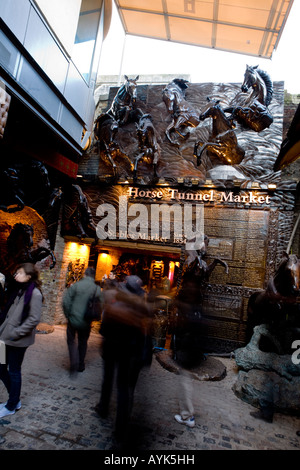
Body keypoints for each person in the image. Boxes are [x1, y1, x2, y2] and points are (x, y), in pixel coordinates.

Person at [95, 275, 152, 446]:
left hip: (112, 350)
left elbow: (103, 329)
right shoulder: (142, 309)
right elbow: (145, 336)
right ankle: (121, 429)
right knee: (124, 390)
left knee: (107, 380)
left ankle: (103, 407)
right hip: (130, 354)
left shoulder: (114, 305)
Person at [0, 263, 43, 418]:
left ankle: (11, 405)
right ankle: (15, 400)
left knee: (14, 371)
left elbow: (33, 319)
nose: (16, 275)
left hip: (17, 341)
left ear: (29, 276)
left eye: (19, 273)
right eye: (16, 272)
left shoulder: (35, 294)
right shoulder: (18, 290)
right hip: (4, 338)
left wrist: (16, 332)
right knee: (1, 369)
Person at [62, 267, 103, 373]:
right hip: (86, 320)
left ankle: (73, 362)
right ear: (93, 276)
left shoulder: (76, 285)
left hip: (73, 319)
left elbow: (66, 302)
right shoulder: (97, 289)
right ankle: (80, 364)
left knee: (71, 341)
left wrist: (68, 315)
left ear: (85, 274)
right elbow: (101, 305)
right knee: (83, 342)